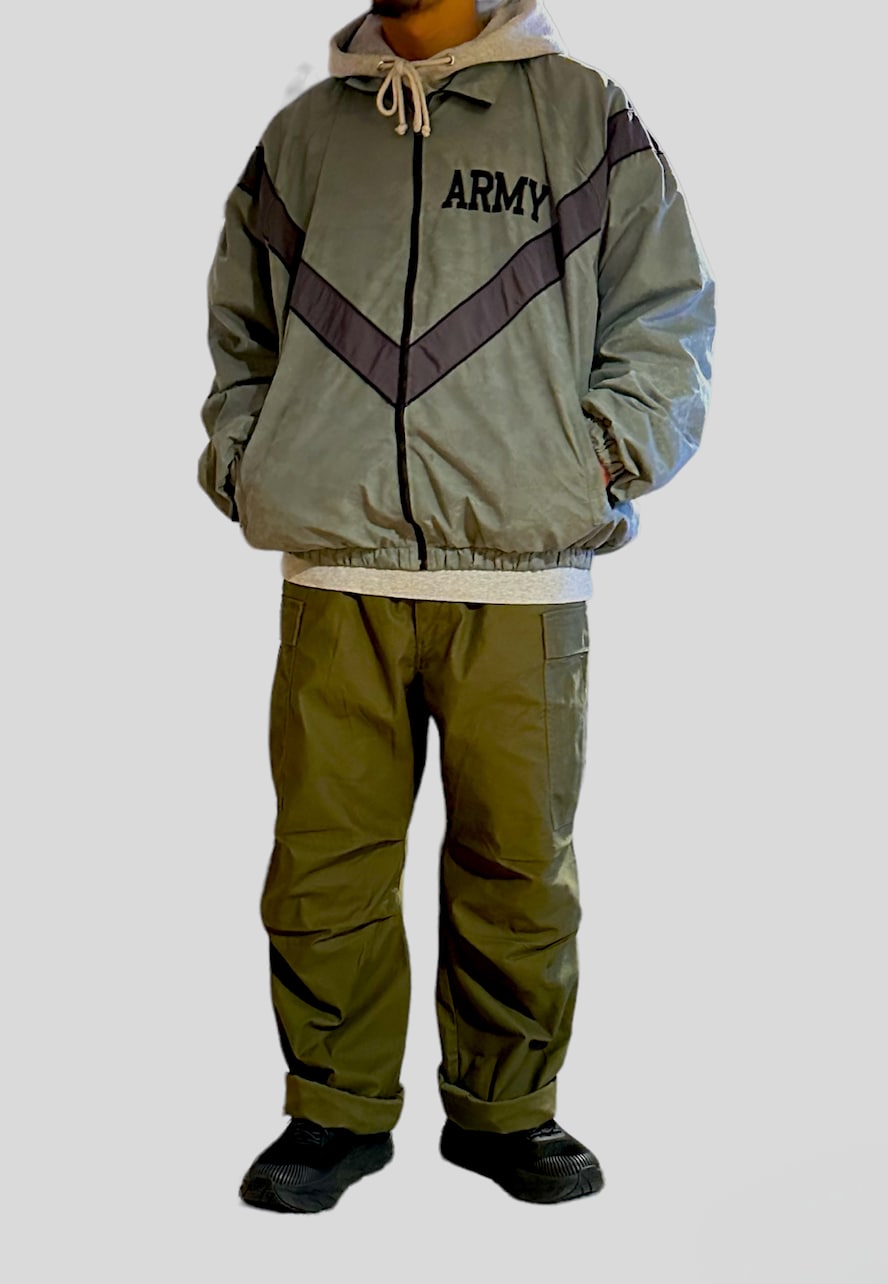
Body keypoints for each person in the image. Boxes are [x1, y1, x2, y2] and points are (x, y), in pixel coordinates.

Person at [197, 0, 715, 1212]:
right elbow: (240, 331)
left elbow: (664, 313)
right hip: (339, 573)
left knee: (516, 863)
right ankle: (333, 1109)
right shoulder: (305, 135)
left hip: (518, 575)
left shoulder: (583, 115)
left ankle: (505, 1111)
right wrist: (252, 461)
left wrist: (599, 460)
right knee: (322, 864)